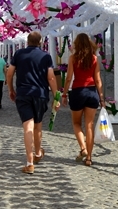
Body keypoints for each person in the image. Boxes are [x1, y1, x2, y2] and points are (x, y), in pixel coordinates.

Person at [7, 31, 60, 175]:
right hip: (40, 95)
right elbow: (51, 78)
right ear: (41, 42)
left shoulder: (18, 54)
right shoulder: (46, 56)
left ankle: (30, 163)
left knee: (28, 127)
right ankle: (37, 153)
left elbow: (10, 72)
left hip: (23, 93)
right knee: (38, 126)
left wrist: (11, 89)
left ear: (28, 41)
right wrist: (56, 96)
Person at [62, 33, 104, 166]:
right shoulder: (94, 58)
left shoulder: (73, 58)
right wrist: (102, 98)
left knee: (76, 123)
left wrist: (64, 94)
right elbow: (98, 80)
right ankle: (89, 158)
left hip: (78, 92)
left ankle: (83, 148)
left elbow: (68, 78)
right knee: (89, 126)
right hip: (92, 92)